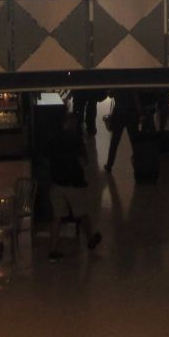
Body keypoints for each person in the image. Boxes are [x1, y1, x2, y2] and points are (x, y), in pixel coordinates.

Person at [45, 112, 103, 261]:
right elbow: (84, 162)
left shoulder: (52, 138)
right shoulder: (76, 140)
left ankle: (53, 250)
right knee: (82, 213)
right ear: (73, 123)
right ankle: (90, 239)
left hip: (57, 182)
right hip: (74, 183)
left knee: (57, 217)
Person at [103, 89, 142, 172]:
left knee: (115, 141)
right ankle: (139, 163)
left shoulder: (117, 81)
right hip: (131, 113)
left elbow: (110, 95)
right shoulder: (131, 82)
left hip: (119, 113)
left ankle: (109, 164)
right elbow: (136, 99)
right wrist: (140, 113)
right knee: (135, 141)